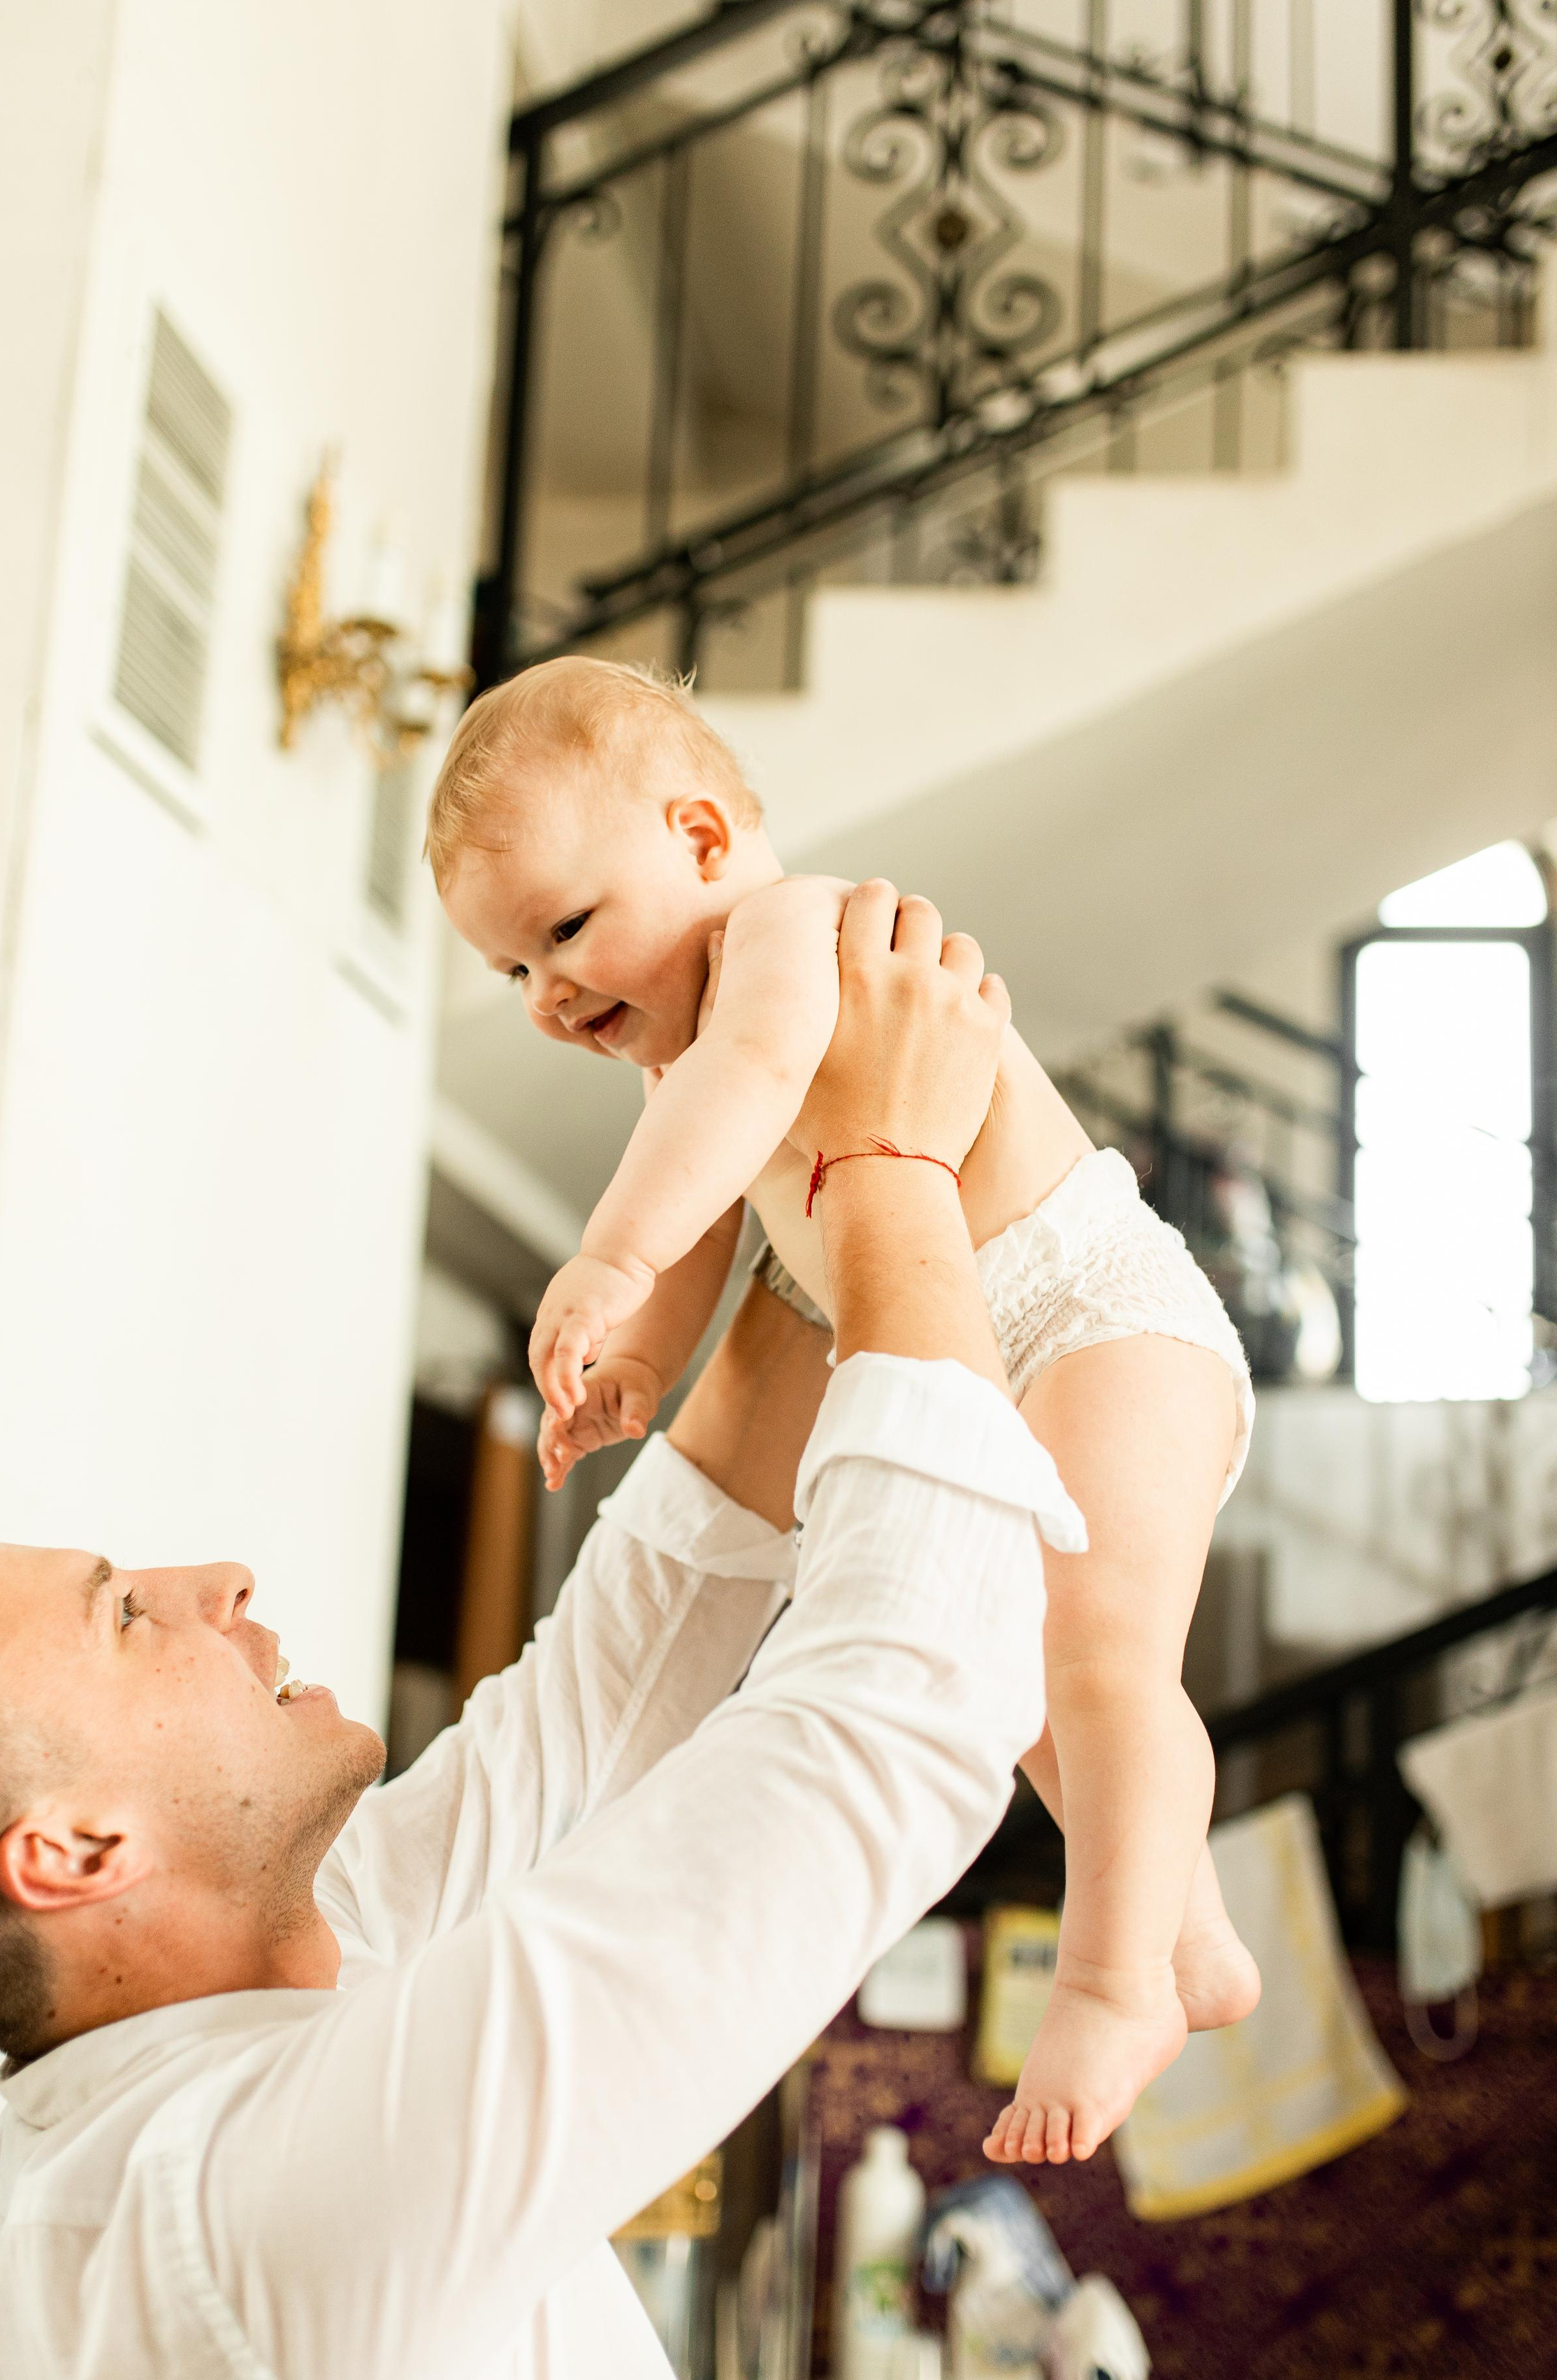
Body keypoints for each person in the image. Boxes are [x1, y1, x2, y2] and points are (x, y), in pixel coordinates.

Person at [0, 887, 1080, 2380]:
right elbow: (891, 1713)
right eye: (122, 1617)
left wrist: (786, 1150)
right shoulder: (232, 2213)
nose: (209, 1578)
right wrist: (894, 1171)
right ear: (74, 1854)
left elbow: (614, 1686)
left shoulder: (227, 2016)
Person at [429, 657, 1262, 2170]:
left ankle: (1111, 1976)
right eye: (511, 974)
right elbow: (712, 1226)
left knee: (1098, 1661)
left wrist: (603, 1256)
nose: (549, 993)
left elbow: (737, 1103)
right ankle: (1187, 1929)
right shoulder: (678, 1055)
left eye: (562, 929)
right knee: (1024, 1695)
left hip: (1097, 1315)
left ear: (697, 839)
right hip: (988, 1349)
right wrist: (635, 1361)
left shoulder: (790, 933)